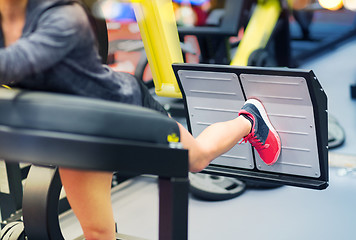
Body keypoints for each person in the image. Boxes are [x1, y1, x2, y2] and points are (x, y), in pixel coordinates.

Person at [0, 0, 281, 239]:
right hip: (75, 126)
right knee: (97, 233)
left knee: (197, 159)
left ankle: (249, 121)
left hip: (124, 108)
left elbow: (15, 63)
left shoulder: (64, 17)